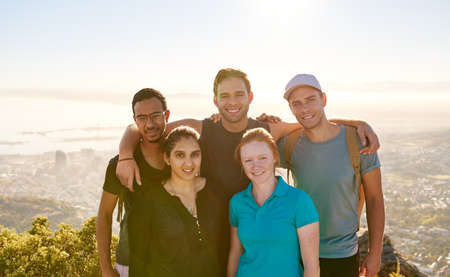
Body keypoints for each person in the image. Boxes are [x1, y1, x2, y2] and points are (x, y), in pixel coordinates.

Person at [278, 74, 385, 277]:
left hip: (342, 254)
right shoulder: (289, 144)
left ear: (324, 100)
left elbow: (374, 199)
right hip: (299, 251)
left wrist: (375, 253)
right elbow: (251, 144)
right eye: (297, 104)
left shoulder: (358, 141)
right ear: (291, 109)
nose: (305, 109)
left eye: (311, 100)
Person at [128, 126, 226, 276]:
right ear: (167, 158)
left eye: (195, 155)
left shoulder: (217, 193)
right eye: (180, 155)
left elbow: (226, 247)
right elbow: (138, 261)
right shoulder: (150, 201)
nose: (189, 163)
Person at [96, 88, 170, 277]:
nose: (150, 124)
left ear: (166, 115)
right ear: (135, 120)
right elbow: (104, 214)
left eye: (155, 116)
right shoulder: (119, 165)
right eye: (142, 118)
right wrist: (105, 268)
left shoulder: (181, 156)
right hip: (130, 264)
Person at [228, 128, 320, 277]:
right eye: (248, 160)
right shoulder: (237, 203)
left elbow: (312, 268)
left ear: (275, 157)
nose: (255, 166)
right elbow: (235, 254)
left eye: (262, 158)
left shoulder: (299, 201)